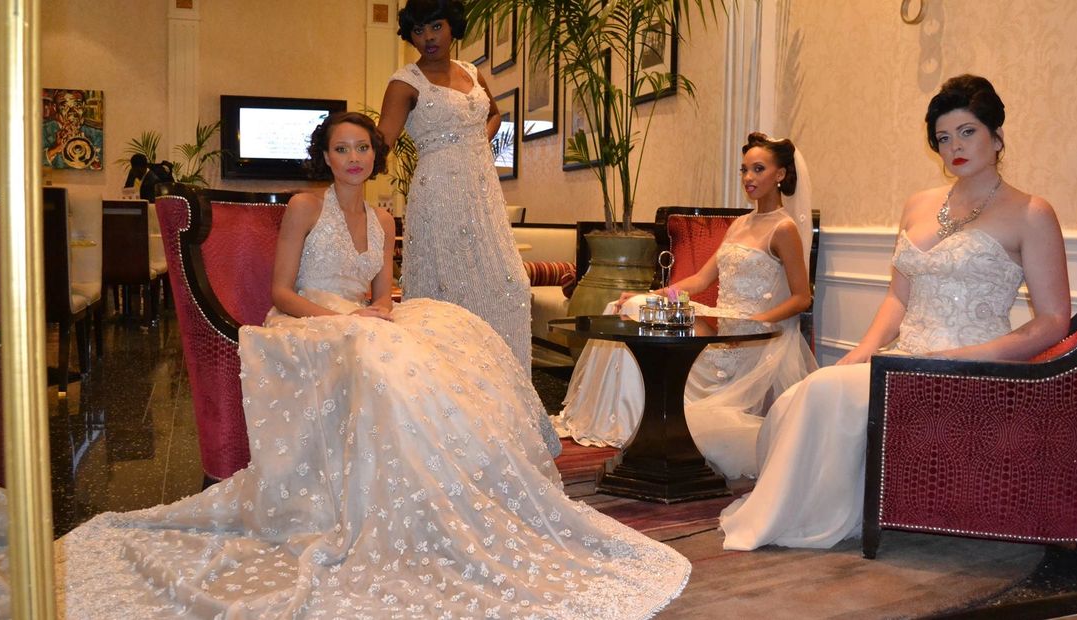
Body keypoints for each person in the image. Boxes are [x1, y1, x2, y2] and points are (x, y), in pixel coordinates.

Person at [45, 112, 690, 618]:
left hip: (362, 320)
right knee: (380, 352)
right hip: (304, 324)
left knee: (455, 331)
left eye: (362, 148)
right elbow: (280, 294)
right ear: (325, 157)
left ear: (373, 158)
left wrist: (379, 311)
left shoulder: (383, 218)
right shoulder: (303, 208)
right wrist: (345, 320)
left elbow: (385, 293)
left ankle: (458, 491)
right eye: (341, 148)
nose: (354, 157)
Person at [719, 74, 1072, 550]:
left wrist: (967, 356)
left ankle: (804, 517)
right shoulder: (919, 205)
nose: (954, 147)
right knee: (809, 391)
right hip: (904, 356)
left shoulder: (1031, 212)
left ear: (997, 135)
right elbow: (898, 298)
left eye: (967, 132)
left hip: (972, 367)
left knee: (823, 394)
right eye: (943, 138)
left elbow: (1054, 321)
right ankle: (796, 514)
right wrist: (862, 352)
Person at [554, 135, 819, 478]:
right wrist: (656, 294)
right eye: (743, 170)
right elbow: (700, 280)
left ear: (780, 174)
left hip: (755, 339)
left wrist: (756, 323)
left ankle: (642, 423)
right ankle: (619, 419)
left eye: (758, 169)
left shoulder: (784, 228)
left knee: (648, 324)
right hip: (721, 326)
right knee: (632, 307)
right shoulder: (741, 224)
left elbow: (802, 297)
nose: (748, 178)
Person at [377, 0, 540, 385]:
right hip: (438, 194)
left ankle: (507, 396)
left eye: (435, 26)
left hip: (483, 195)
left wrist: (475, 144)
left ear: (452, 26)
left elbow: (495, 114)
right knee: (448, 295)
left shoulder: (472, 72)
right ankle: (450, 396)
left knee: (512, 287)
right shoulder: (405, 82)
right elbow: (382, 141)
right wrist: (343, 159)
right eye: (418, 30)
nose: (428, 37)